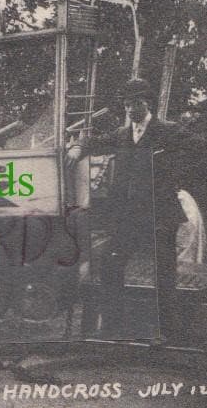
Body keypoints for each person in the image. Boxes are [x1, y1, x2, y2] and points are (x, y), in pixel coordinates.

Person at [67, 78, 199, 341]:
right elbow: (93, 141)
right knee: (110, 262)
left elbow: (200, 150)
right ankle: (113, 325)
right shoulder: (121, 134)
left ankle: (166, 331)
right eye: (126, 105)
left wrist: (176, 178)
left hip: (159, 216)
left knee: (164, 273)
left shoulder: (168, 131)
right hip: (127, 217)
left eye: (134, 104)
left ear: (147, 103)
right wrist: (77, 148)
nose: (129, 109)